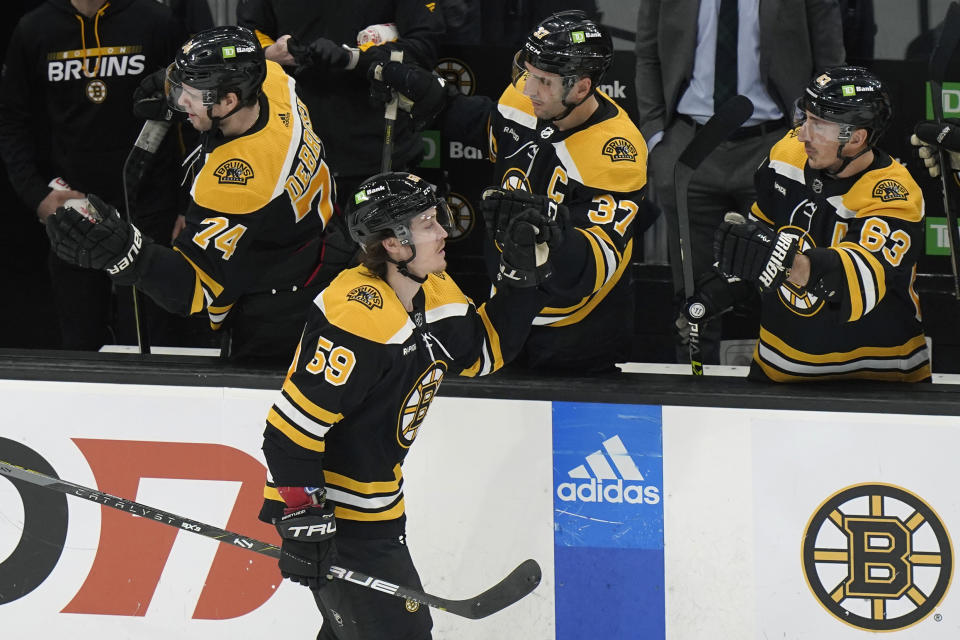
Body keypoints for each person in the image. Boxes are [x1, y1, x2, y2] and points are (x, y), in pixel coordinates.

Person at [258, 171, 561, 639]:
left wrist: (519, 278)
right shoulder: (354, 316)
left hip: (379, 508)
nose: (444, 232)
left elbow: (484, 352)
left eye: (436, 218)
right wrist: (301, 517)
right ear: (395, 245)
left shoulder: (434, 292)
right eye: (427, 223)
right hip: (336, 520)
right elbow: (287, 435)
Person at [369, 9, 648, 373]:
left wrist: (552, 236)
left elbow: (595, 265)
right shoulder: (525, 97)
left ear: (581, 87)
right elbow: (492, 129)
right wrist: (433, 97)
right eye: (528, 73)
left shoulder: (616, 152)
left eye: (544, 81)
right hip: (504, 318)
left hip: (575, 336)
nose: (529, 88)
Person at [44, 26, 336, 363]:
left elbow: (195, 291)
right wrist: (188, 82)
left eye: (192, 93)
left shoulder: (237, 182)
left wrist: (129, 255)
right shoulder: (272, 79)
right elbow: (254, 54)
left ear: (229, 100)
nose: (181, 101)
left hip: (280, 304)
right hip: (314, 246)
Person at [634, 0, 846, 364]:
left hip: (776, 144)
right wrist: (657, 138)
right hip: (690, 146)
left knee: (786, 282)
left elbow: (830, 64)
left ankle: (790, 383)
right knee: (693, 293)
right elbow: (647, 56)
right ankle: (693, 392)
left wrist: (811, 139)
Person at [689, 66, 931, 382]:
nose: (802, 133)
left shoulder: (893, 194)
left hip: (879, 380)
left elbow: (858, 285)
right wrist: (729, 285)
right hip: (780, 369)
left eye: (817, 125)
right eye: (804, 118)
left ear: (856, 138)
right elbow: (756, 243)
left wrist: (780, 261)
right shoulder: (786, 156)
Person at [0, 0, 185, 350]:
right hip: (73, 208)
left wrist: (188, 205)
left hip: (149, 207)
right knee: (80, 343)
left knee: (153, 344)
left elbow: (190, 116)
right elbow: (12, 120)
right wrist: (37, 196)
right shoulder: (34, 29)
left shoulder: (157, 22)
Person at [235, 0, 444, 210]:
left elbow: (424, 44)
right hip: (292, 153)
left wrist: (354, 58)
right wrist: (269, 53)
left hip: (379, 150)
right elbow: (246, 37)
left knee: (385, 240)